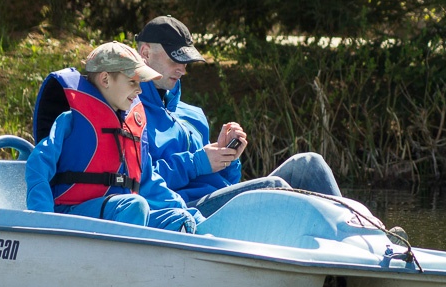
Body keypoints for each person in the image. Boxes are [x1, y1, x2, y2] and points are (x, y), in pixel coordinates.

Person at [134, 15, 344, 217]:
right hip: (185, 210)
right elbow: (139, 179)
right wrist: (197, 162)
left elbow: (226, 184)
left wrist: (228, 159)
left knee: (309, 164)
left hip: (220, 204)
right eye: (175, 59)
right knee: (274, 189)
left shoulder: (193, 115)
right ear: (145, 53)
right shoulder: (131, 114)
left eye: (186, 61)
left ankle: (361, 234)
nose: (182, 69)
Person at [26, 41, 204, 233]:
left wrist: (188, 212)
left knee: (178, 220)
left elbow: (149, 182)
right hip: (71, 217)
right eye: (132, 82)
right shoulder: (69, 121)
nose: (139, 90)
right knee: (135, 205)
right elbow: (37, 167)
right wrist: (43, 220)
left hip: (120, 214)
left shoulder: (132, 129)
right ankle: (124, 260)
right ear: (105, 79)